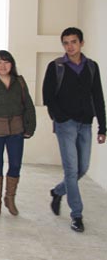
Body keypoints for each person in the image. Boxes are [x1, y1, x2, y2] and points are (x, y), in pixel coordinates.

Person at [43, 27, 106, 233]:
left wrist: (103, 127)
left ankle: (58, 191)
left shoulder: (92, 67)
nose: (70, 46)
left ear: (82, 43)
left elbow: (98, 96)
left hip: (86, 123)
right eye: (66, 43)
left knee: (83, 168)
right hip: (65, 125)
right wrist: (59, 117)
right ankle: (77, 215)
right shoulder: (56, 66)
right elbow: (48, 96)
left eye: (73, 42)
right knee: (71, 169)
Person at [0, 50, 36, 216]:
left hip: (16, 129)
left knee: (15, 164)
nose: (3, 66)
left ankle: (10, 198)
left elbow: (28, 106)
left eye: (6, 62)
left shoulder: (19, 81)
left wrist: (30, 128)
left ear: (12, 64)